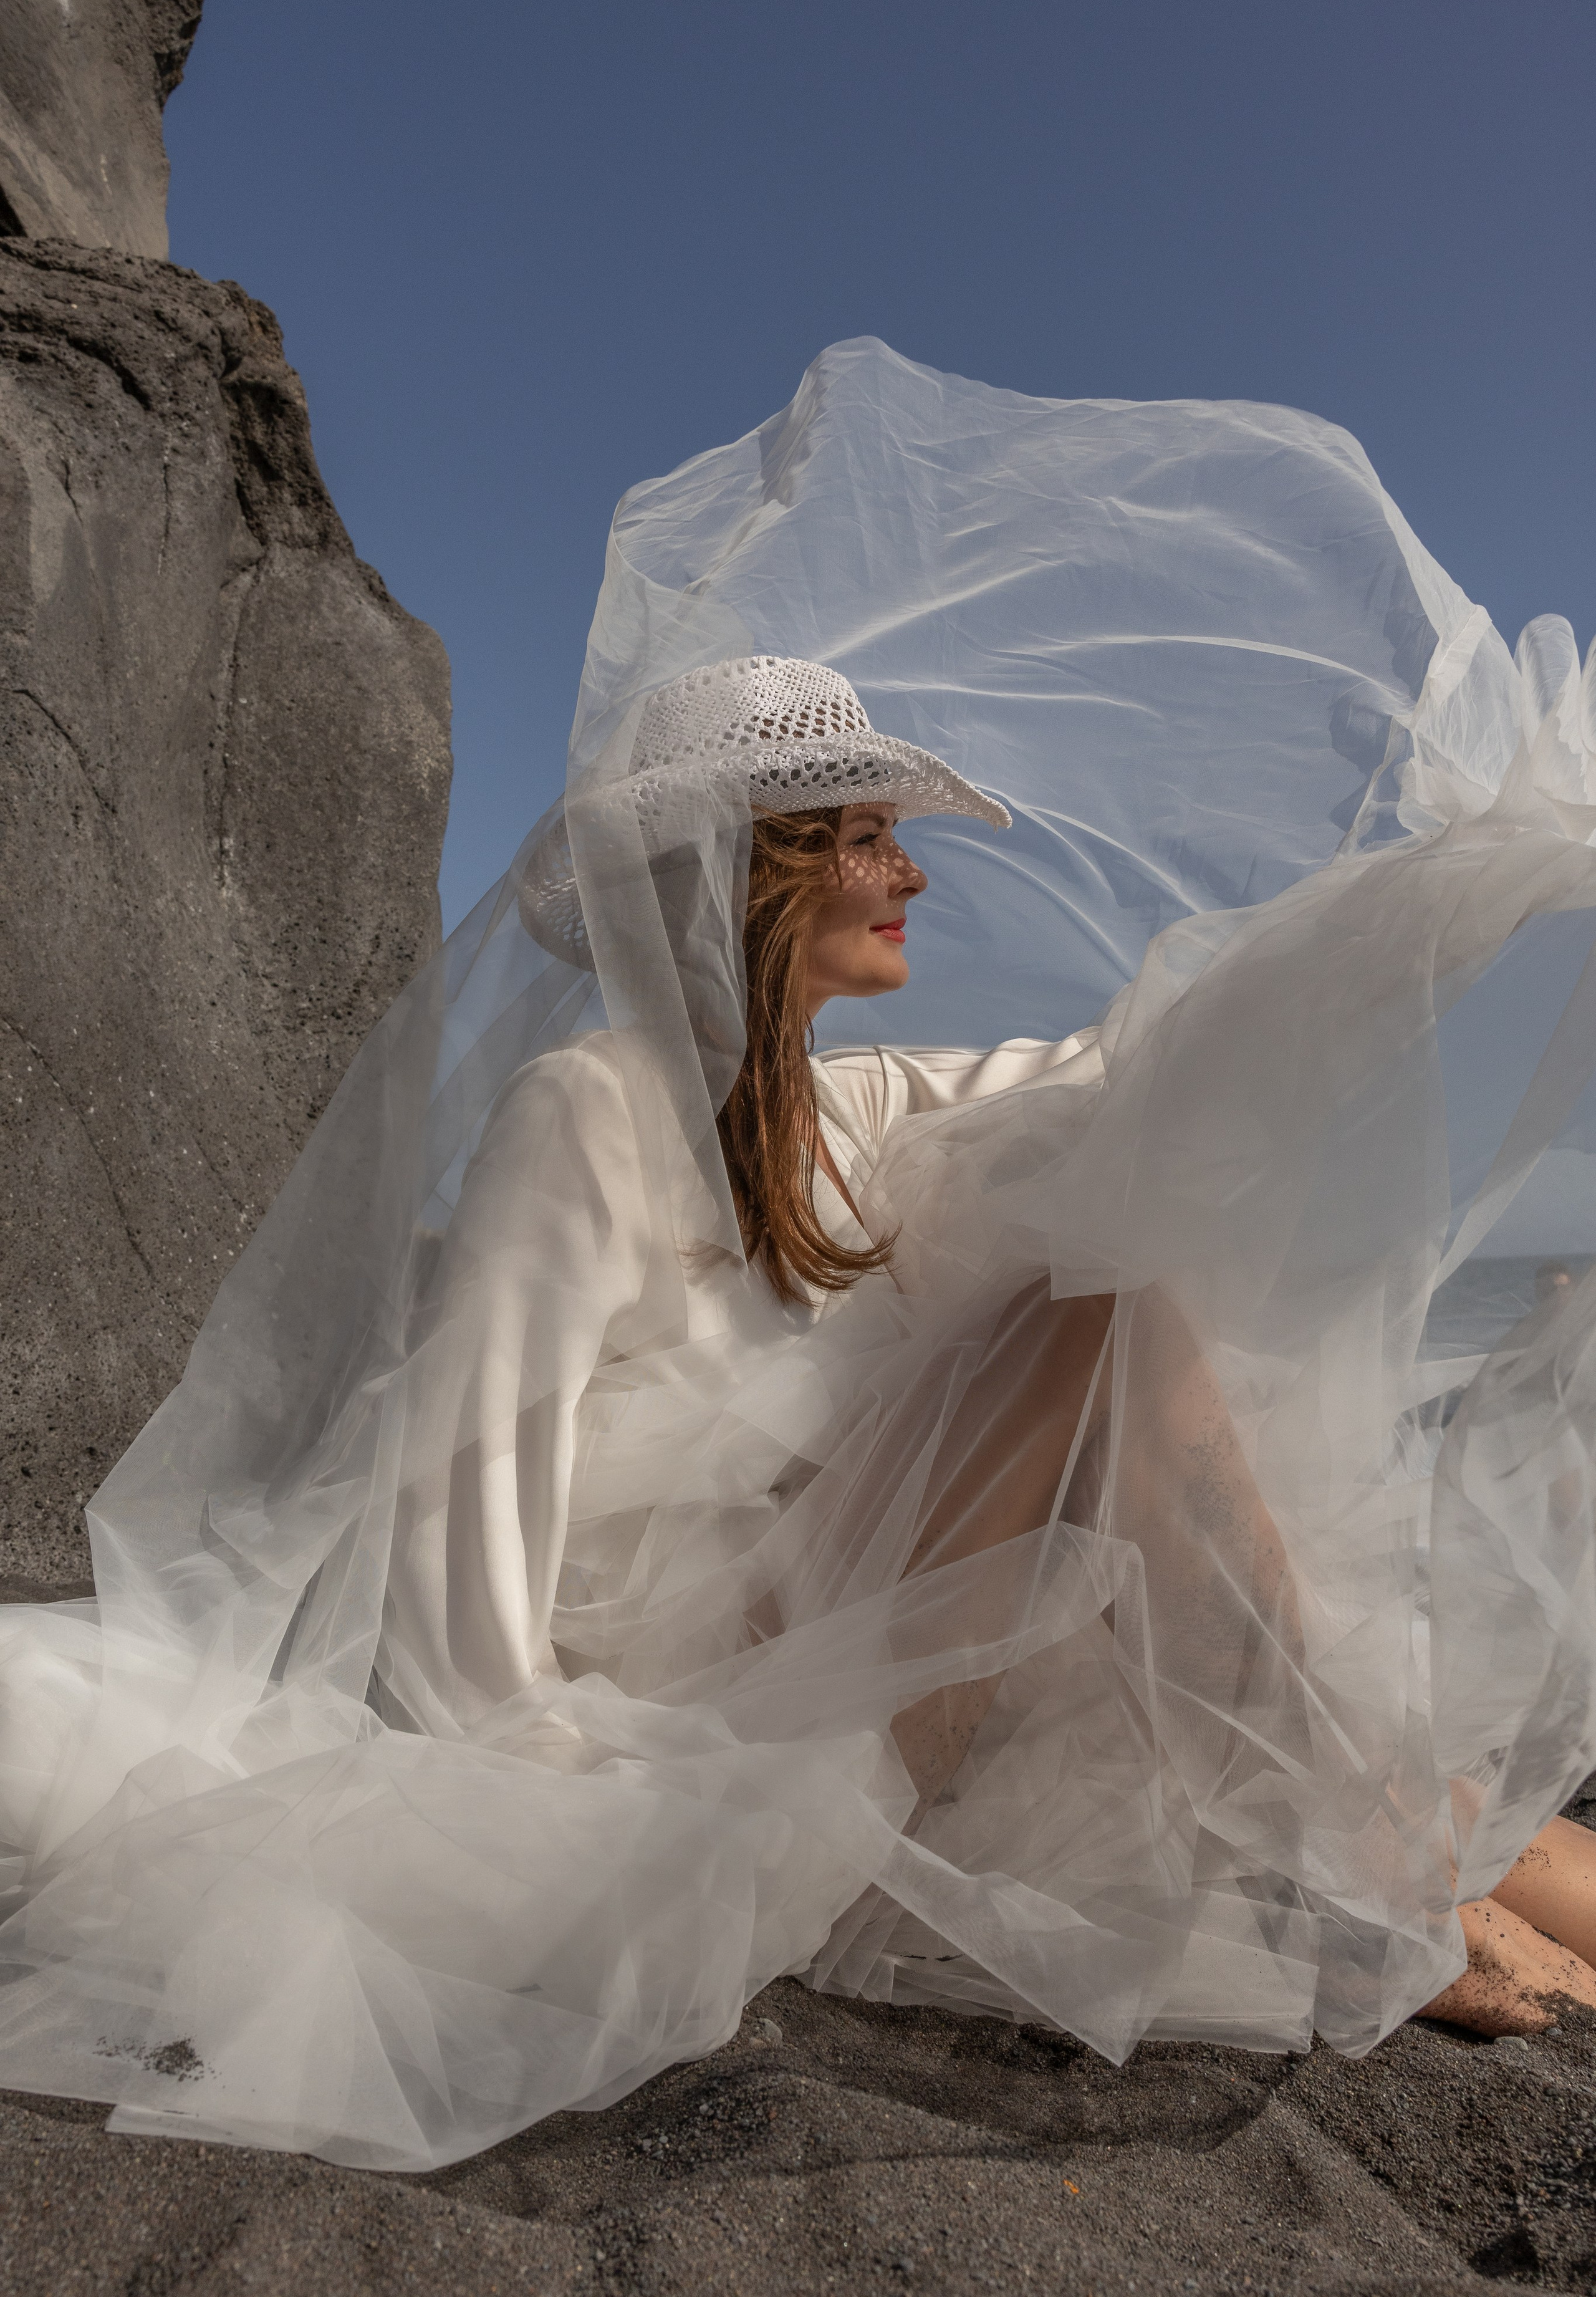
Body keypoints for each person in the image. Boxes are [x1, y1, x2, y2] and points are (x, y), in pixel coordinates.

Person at [4, 354, 1596, 2173]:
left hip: (860, 1661)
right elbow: (463, 1594)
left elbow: (1166, 1064)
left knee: (1507, 1827)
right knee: (1114, 1328)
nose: (912, 872)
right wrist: (619, 1829)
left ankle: (1409, 1838)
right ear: (748, 873)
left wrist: (1473, 876)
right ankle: (1387, 1853)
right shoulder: (584, 1121)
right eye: (863, 833)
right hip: (677, 1737)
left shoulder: (858, 1110)